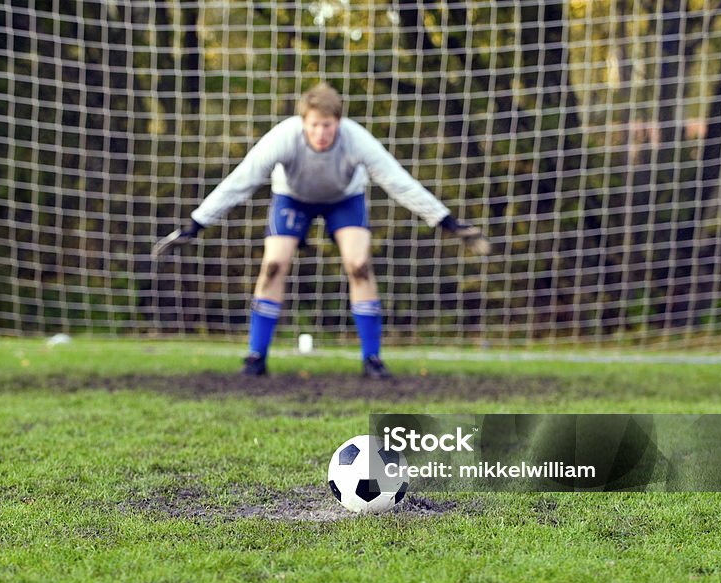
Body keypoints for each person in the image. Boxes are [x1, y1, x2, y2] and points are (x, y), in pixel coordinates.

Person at [154, 83, 491, 378]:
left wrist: (445, 220)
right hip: (293, 198)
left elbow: (397, 181)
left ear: (338, 123)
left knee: (359, 265)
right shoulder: (284, 137)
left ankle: (372, 358)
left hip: (344, 199)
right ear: (304, 123)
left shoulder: (356, 139)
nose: (320, 133)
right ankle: (256, 356)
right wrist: (197, 223)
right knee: (274, 265)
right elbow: (242, 179)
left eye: (327, 125)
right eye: (314, 125)